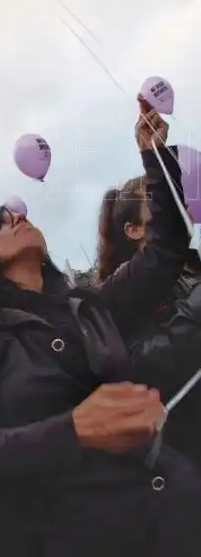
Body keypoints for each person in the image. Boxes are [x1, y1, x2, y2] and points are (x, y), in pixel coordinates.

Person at [0, 98, 201, 556]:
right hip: (67, 535)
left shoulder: (90, 305)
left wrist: (155, 157)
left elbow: (167, 248)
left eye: (16, 213)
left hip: (167, 514)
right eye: (1, 223)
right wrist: (73, 429)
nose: (17, 215)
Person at [97, 172, 201, 469]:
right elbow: (144, 366)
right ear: (133, 230)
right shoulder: (123, 293)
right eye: (159, 202)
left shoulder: (191, 266)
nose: (174, 204)